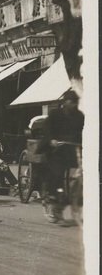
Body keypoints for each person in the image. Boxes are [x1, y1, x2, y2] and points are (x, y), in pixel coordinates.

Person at [38, 90, 84, 223]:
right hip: (56, 151)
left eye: (76, 102)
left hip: (72, 150)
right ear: (65, 102)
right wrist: (51, 139)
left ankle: (74, 197)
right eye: (72, 102)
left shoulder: (80, 116)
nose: (74, 105)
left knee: (80, 175)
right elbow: (47, 129)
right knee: (57, 174)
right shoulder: (55, 114)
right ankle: (54, 200)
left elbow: (83, 130)